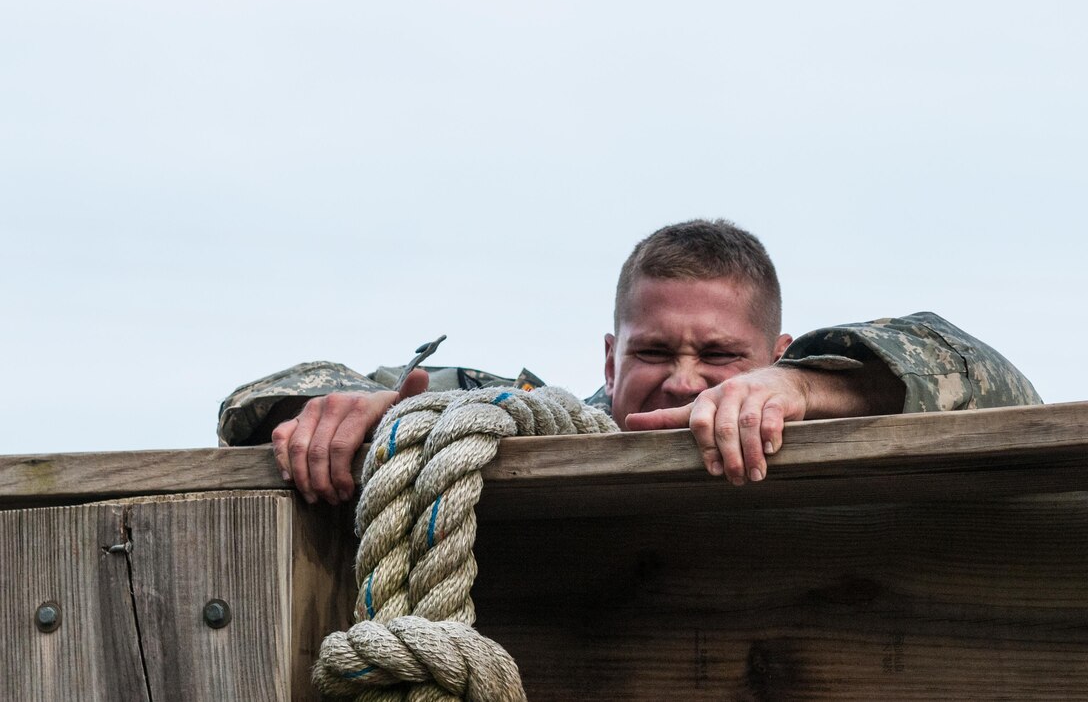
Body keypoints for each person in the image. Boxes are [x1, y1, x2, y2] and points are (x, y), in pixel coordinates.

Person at [218, 219, 1041, 504]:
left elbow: (994, 380)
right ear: (610, 356)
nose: (684, 378)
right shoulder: (543, 416)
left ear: (775, 352)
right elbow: (253, 404)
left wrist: (803, 389)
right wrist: (364, 412)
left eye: (721, 355)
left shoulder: (822, 390)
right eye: (653, 351)